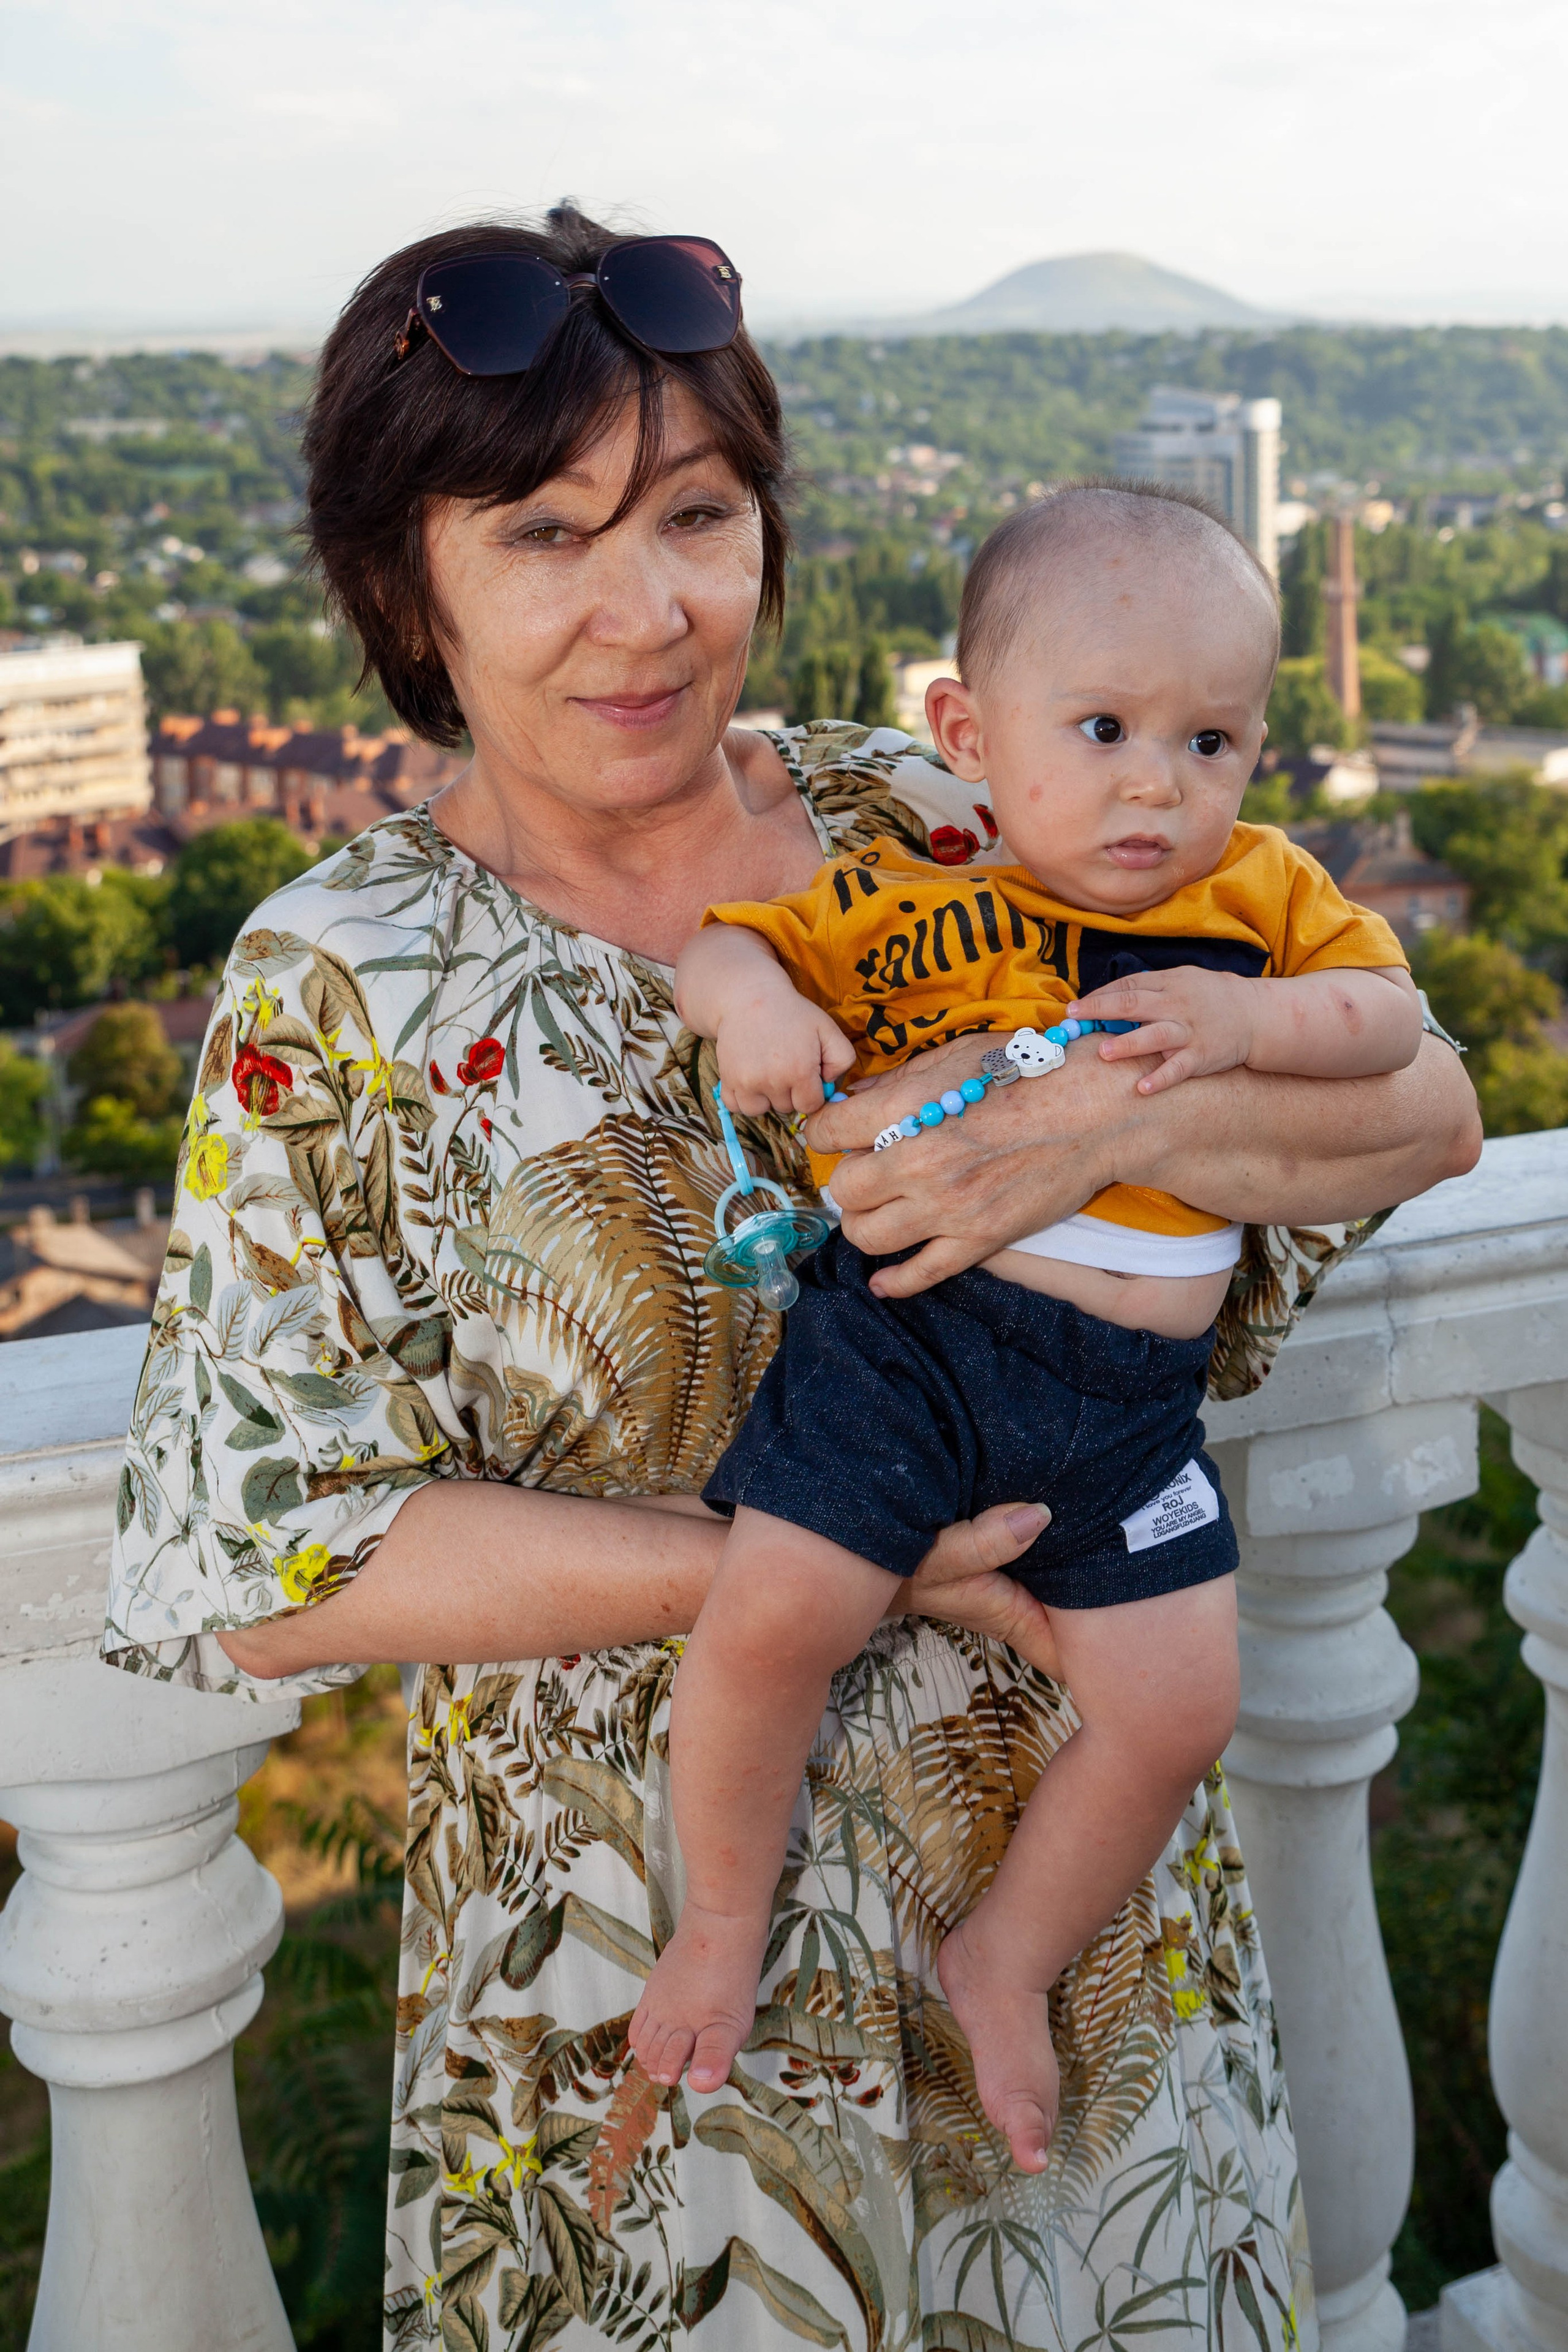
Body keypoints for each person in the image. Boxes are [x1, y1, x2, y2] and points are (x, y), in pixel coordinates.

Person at [103, 207, 1479, 2348]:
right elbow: (266, 1554)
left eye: (697, 514)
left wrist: (1107, 1127)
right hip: (653, 2008)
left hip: (1082, 1983)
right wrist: (823, 1560)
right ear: (407, 587)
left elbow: (1425, 1106)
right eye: (543, 534)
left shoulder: (943, 811)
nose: (644, 609)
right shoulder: (344, 980)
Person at [634, 483, 1422, 2174]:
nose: (1159, 781)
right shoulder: (913, 902)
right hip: (916, 1342)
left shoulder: (1263, 901)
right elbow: (728, 951)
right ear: (968, 736)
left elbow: (1396, 1032)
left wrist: (1249, 1017)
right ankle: (716, 1924)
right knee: (778, 1617)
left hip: (1132, 1405)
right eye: (1105, 728)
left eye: (1212, 741)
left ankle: (1007, 1960)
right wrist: (763, 1008)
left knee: (1179, 1705)